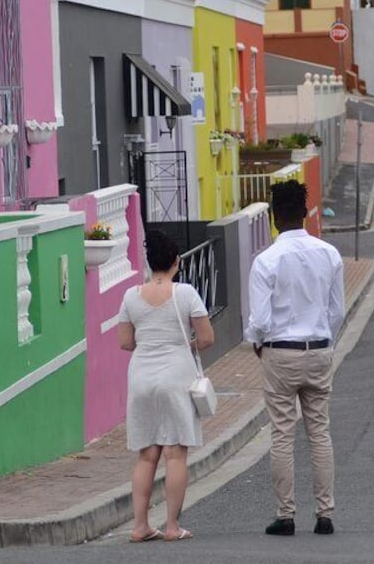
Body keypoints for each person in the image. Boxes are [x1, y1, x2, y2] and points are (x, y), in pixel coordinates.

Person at [245, 179, 345, 537]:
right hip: (318, 349)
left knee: (282, 434)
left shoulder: (266, 261)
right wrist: (324, 339)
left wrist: (258, 342)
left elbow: (259, 320)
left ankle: (286, 515)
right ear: (305, 214)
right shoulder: (329, 254)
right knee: (320, 432)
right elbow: (337, 312)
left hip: (280, 353)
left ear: (273, 217)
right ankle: (325, 513)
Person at [117, 230, 215, 543]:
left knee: (147, 454)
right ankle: (172, 526)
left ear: (149, 262)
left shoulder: (131, 296)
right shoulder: (185, 293)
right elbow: (208, 338)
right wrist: (185, 342)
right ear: (176, 262)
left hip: (141, 375)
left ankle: (140, 526)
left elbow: (125, 342)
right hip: (176, 374)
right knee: (175, 453)